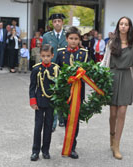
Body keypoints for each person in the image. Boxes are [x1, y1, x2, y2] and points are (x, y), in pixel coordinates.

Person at [101, 16, 133, 160]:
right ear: (118, 26)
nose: (124, 26)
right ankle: (112, 136)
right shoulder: (111, 43)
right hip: (112, 76)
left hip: (126, 77)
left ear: (130, 27)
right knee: (113, 113)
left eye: (126, 24)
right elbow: (105, 61)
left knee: (122, 112)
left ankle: (117, 145)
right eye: (121, 24)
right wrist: (97, 76)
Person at [56, 26, 89, 159]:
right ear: (66, 39)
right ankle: (67, 144)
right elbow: (56, 72)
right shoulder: (60, 53)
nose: (73, 41)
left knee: (75, 119)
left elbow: (88, 72)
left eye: (76, 39)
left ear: (79, 40)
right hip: (65, 91)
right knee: (65, 119)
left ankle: (72, 147)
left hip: (78, 91)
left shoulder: (83, 54)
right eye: (71, 38)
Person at [29, 44, 59, 161]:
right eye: (43, 56)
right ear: (40, 55)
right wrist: (33, 101)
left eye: (48, 56)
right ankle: (35, 151)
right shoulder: (36, 69)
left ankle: (46, 150)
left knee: (48, 127)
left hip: (51, 102)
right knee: (38, 127)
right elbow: (32, 87)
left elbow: (58, 86)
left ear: (52, 56)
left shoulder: (55, 69)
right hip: (39, 102)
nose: (45, 58)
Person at [42, 13, 68, 128]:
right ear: (52, 23)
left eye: (59, 21)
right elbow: (43, 52)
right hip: (51, 68)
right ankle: (53, 121)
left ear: (62, 22)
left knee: (63, 94)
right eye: (55, 21)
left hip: (64, 69)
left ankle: (62, 117)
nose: (57, 23)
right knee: (52, 94)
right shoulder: (47, 36)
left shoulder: (67, 35)